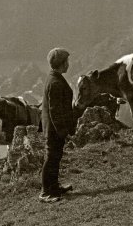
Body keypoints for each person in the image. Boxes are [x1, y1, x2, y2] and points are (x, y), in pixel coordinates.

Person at [39, 47, 76, 203]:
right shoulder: (55, 82)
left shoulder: (53, 78)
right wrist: (62, 130)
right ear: (62, 63)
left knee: (55, 157)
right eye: (67, 61)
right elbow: (55, 111)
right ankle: (45, 192)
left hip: (52, 128)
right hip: (54, 129)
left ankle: (54, 187)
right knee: (51, 158)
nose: (68, 64)